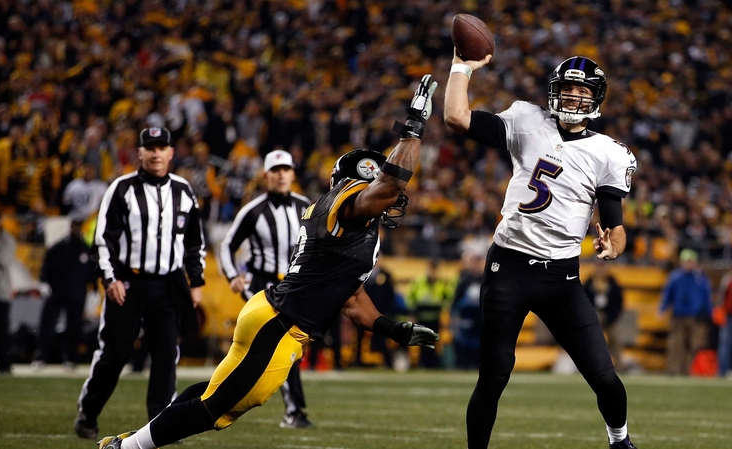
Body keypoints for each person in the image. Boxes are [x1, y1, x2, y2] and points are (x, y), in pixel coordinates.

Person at [96, 75, 440, 449]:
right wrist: (415, 125)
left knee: (214, 392)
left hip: (270, 313)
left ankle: (133, 439)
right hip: (279, 325)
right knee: (215, 409)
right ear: (364, 177)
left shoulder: (349, 222)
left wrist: (395, 330)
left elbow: (352, 299)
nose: (395, 199)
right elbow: (390, 185)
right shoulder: (350, 201)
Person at [445, 53, 639, 449]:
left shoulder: (609, 153)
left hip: (561, 278)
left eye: (581, 90)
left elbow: (616, 227)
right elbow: (456, 118)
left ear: (595, 98)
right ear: (553, 90)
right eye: (566, 88)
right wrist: (461, 67)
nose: (571, 96)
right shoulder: (527, 120)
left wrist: (612, 246)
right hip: (508, 267)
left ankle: (620, 441)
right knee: (495, 373)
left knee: (603, 376)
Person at [75, 127, 207, 439]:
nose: (156, 153)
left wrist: (196, 282)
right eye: (151, 148)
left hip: (167, 284)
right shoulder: (122, 189)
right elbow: (103, 241)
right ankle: (88, 412)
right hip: (129, 285)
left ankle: (157, 428)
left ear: (172, 153)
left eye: (162, 148)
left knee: (165, 356)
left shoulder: (183, 190)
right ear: (140, 153)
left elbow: (194, 242)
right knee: (114, 354)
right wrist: (111, 279)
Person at [218, 149, 314, 428]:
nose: (281, 175)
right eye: (275, 170)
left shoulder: (305, 206)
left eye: (286, 170)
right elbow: (227, 245)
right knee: (278, 344)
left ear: (293, 174)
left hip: (294, 286)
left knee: (275, 348)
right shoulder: (253, 210)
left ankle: (223, 398)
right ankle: (294, 410)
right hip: (262, 285)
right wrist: (232, 275)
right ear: (266, 176)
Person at [33, 219, 96, 369]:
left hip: (76, 295)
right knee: (47, 326)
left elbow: (91, 274)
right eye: (75, 226)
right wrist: (44, 282)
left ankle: (71, 358)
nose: (77, 229)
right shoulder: (58, 247)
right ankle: (42, 357)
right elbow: (46, 267)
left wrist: (93, 290)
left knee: (74, 328)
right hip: (57, 293)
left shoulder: (86, 249)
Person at [658, 248, 712, 376]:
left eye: (691, 261)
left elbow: (706, 297)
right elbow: (668, 295)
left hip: (695, 318)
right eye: (687, 261)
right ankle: (674, 370)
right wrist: (663, 309)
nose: (689, 264)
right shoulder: (675, 277)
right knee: (677, 345)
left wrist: (708, 314)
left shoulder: (700, 278)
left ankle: (687, 370)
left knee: (693, 345)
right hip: (678, 316)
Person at [405, 260, 454, 368]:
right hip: (421, 317)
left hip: (435, 318)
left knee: (433, 342)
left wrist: (444, 313)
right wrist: (412, 314)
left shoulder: (442, 284)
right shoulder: (418, 282)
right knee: (422, 342)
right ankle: (423, 363)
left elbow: (448, 299)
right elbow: (410, 299)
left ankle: (432, 364)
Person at [584, 260, 626, 370]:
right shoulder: (589, 283)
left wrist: (611, 317)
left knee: (615, 339)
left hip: (609, 317)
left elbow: (618, 302)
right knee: (591, 340)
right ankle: (590, 365)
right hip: (593, 318)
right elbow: (583, 301)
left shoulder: (613, 284)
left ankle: (619, 365)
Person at [0, 208, 17, 375]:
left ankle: (4, 366)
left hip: (1, 292)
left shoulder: (7, 240)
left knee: (2, 331)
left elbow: (3, 259)